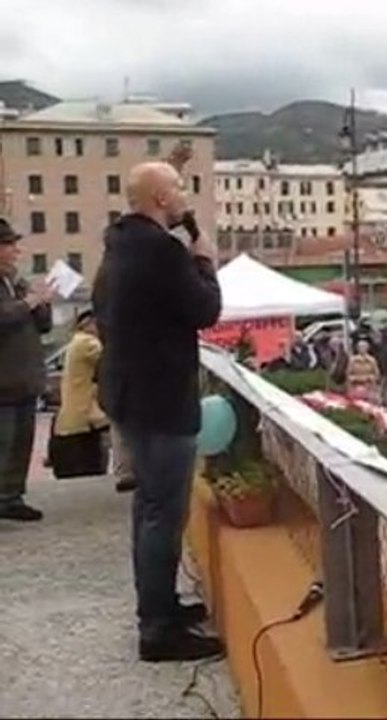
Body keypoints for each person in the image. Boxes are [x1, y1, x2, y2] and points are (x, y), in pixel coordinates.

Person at [95, 161, 224, 662]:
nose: (184, 195)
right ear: (162, 200)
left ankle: (160, 605)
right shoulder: (163, 252)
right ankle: (158, 629)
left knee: (148, 508)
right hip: (163, 398)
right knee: (162, 515)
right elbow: (205, 311)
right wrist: (205, 262)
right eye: (178, 187)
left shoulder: (119, 247)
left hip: (129, 395)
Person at [0, 217, 53, 521]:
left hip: (24, 380)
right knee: (4, 443)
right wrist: (28, 304)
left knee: (22, 441)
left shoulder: (15, 282)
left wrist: (41, 302)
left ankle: (12, 496)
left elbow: (41, 326)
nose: (15, 251)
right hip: (4, 382)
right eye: (8, 245)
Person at [49, 310, 110, 477]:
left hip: (75, 417)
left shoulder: (76, 341)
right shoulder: (88, 343)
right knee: (87, 467)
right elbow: (110, 359)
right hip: (84, 417)